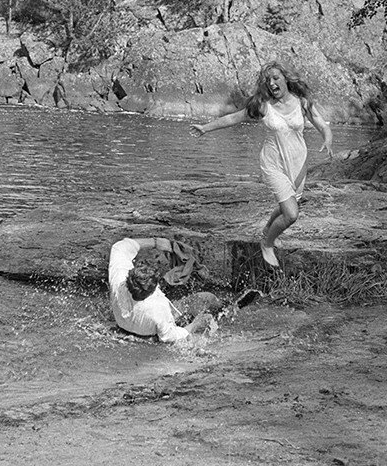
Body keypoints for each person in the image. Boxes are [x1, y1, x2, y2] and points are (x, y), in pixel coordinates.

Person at [190, 61, 333, 267]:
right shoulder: (264, 106)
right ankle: (267, 244)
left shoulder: (302, 103)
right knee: (291, 214)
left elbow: (323, 126)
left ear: (285, 78)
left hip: (297, 163)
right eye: (268, 80)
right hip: (273, 163)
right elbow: (234, 117)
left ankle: (267, 231)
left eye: (276, 78)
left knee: (287, 205)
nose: (272, 83)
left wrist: (327, 140)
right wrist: (205, 128)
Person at [108, 236, 214, 343]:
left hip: (126, 324)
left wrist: (155, 242)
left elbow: (119, 247)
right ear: (153, 289)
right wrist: (195, 325)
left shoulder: (119, 279)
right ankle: (225, 309)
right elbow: (170, 336)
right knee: (208, 298)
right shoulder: (158, 309)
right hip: (150, 332)